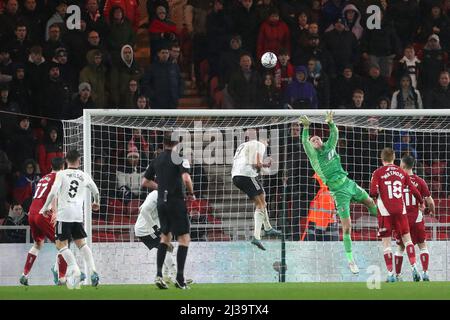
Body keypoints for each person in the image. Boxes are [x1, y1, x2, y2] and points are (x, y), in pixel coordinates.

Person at [299, 111, 378, 274]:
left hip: (349, 183)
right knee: (347, 227)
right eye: (312, 140)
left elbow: (335, 133)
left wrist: (330, 123)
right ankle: (351, 261)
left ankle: (386, 225)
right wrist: (306, 129)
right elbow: (304, 142)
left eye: (317, 138)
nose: (315, 139)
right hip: (338, 192)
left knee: (370, 202)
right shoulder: (314, 156)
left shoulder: (329, 147)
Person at [40, 150, 100, 289]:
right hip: (77, 215)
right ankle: (93, 271)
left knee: (60, 245)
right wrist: (96, 202)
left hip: (64, 214)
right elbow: (95, 190)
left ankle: (76, 270)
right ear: (79, 160)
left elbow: (53, 192)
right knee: (82, 244)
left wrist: (44, 208)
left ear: (66, 161)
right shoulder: (84, 175)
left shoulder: (61, 174)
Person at [141, 133, 194, 289]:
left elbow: (144, 181)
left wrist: (160, 187)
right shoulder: (178, 158)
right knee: (184, 239)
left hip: (161, 203)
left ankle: (158, 275)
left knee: (165, 237)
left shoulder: (157, 159)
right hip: (175, 201)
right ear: (177, 142)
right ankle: (179, 278)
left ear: (164, 143)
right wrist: (191, 193)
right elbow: (186, 178)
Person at [370, 147, 424, 282]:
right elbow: (413, 188)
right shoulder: (401, 172)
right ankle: (414, 266)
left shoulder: (377, 173)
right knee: (408, 240)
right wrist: (421, 202)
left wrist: (375, 197)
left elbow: (373, 192)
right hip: (401, 210)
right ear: (394, 158)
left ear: (382, 159)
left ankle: (390, 274)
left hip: (385, 212)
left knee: (386, 243)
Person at [19, 157, 68, 286]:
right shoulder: (59, 177)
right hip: (44, 213)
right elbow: (53, 195)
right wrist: (55, 212)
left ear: (51, 166)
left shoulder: (44, 177)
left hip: (32, 212)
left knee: (38, 244)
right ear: (63, 167)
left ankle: (24, 274)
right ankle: (62, 278)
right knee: (63, 244)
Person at [231, 130, 282, 251]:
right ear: (264, 139)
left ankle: (268, 228)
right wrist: (266, 165)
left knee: (262, 200)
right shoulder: (259, 144)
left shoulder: (242, 146)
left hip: (236, 176)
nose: (267, 144)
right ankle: (257, 236)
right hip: (246, 175)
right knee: (261, 202)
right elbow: (257, 163)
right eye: (268, 141)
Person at [134, 189, 193, 284]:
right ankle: (176, 276)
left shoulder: (167, 198)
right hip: (145, 230)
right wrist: (155, 227)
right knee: (166, 248)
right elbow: (144, 211)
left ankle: (166, 276)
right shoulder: (156, 195)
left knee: (170, 247)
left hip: (151, 228)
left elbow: (141, 208)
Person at [394, 155, 436, 281]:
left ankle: (398, 275)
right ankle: (425, 273)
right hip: (417, 219)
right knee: (423, 246)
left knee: (400, 248)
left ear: (403, 166)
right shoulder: (420, 181)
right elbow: (430, 201)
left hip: (402, 220)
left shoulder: (397, 182)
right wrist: (432, 211)